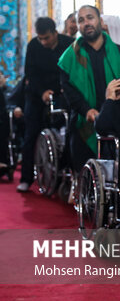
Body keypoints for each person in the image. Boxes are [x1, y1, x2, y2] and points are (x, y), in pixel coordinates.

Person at [58, 5, 120, 225]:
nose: (86, 23)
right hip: (86, 121)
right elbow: (68, 90)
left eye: (90, 17)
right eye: (81, 20)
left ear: (100, 21)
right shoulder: (70, 57)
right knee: (79, 143)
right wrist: (87, 110)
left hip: (118, 116)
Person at [17, 17, 74, 192]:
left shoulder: (69, 44)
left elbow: (72, 70)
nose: (43, 42)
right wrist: (42, 92)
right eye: (40, 38)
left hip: (61, 91)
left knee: (70, 128)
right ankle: (26, 178)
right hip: (36, 94)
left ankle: (68, 175)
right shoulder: (33, 46)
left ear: (55, 33)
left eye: (46, 38)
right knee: (31, 134)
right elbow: (30, 75)